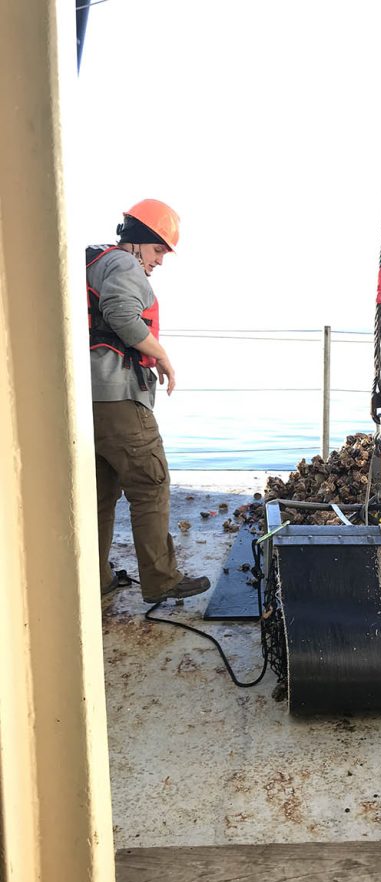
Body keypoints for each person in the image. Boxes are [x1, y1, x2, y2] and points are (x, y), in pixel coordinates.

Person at [87, 199, 210, 602]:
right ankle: (162, 581)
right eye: (158, 250)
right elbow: (121, 313)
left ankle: (95, 578)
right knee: (150, 484)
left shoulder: (94, 264)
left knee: (100, 495)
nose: (160, 261)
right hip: (120, 399)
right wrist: (161, 355)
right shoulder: (124, 264)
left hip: (88, 402)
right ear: (139, 241)